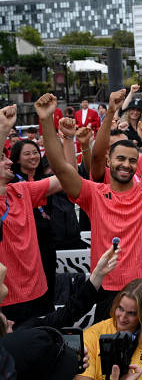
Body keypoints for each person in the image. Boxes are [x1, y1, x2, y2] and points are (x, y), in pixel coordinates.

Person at [36, 90, 142, 335]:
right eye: (120, 159)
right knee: (110, 360)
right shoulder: (94, 193)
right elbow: (59, 167)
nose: (127, 164)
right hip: (109, 289)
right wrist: (46, 121)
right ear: (109, 162)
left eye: (132, 161)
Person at [0, 105, 64, 323]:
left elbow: (66, 175)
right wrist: (4, 129)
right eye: (3, 158)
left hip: (38, 291)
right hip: (6, 299)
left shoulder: (22, 190)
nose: (8, 161)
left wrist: (48, 123)